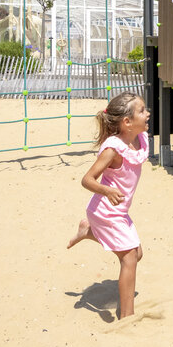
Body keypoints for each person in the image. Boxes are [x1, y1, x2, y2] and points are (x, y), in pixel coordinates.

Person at [66, 92, 149, 319]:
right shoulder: (113, 148)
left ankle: (89, 232)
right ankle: (127, 317)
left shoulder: (137, 139)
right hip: (106, 211)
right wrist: (108, 190)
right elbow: (87, 179)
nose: (148, 113)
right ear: (127, 122)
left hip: (118, 212)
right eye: (142, 111)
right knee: (129, 257)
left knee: (137, 253)